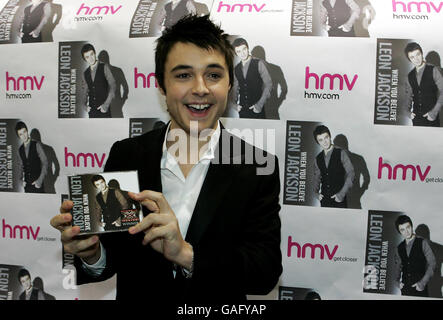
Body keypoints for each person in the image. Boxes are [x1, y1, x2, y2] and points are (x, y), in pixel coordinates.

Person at [50, 15, 282, 301]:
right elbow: (109, 259)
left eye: (214, 75)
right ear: (161, 84)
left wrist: (185, 254)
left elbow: (264, 273)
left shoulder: (257, 166)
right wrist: (91, 251)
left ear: (230, 84)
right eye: (183, 75)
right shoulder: (127, 154)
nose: (200, 88)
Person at [393, 215, 436, 297]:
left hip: (420, 289)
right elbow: (397, 266)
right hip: (405, 290)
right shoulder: (399, 247)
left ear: (412, 226)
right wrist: (397, 282)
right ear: (399, 232)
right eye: (402, 230)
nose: (406, 232)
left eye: (408, 227)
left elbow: (432, 263)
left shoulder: (423, 242)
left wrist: (422, 283)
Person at [312, 125, 354, 208]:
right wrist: (316, 193)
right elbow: (316, 177)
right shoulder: (318, 158)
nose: (324, 142)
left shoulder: (341, 153)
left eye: (326, 137)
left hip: (340, 200)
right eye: (321, 140)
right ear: (318, 142)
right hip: (324, 201)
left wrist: (341, 194)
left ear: (330, 136)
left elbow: (351, 174)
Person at [231, 38, 272, 119]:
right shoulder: (236, 69)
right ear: (236, 53)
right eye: (238, 51)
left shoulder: (259, 63)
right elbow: (234, 88)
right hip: (243, 111)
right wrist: (234, 105)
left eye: (244, 49)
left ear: (248, 48)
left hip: (257, 109)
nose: (242, 53)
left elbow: (269, 85)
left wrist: (259, 105)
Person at [404, 42, 443, 127]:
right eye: (412, 57)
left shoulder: (434, 70)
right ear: (409, 59)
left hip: (432, 118)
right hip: (416, 119)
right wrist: (407, 112)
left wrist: (433, 113)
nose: (416, 59)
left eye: (418, 54)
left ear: (422, 53)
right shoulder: (409, 76)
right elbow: (408, 96)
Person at [80, 43, 116, 118]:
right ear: (85, 59)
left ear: (95, 53)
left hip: (104, 109)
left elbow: (113, 86)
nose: (91, 58)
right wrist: (84, 106)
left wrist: (106, 105)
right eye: (87, 57)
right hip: (92, 111)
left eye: (92, 54)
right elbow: (84, 92)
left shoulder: (104, 67)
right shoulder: (85, 73)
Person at [15, 121, 48, 193]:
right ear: (19, 136)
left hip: (38, 185)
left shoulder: (36, 145)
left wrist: (40, 181)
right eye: (21, 134)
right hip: (27, 187)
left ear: (27, 131)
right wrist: (20, 181)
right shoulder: (19, 150)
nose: (24, 136)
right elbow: (20, 167)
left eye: (24, 132)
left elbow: (45, 163)